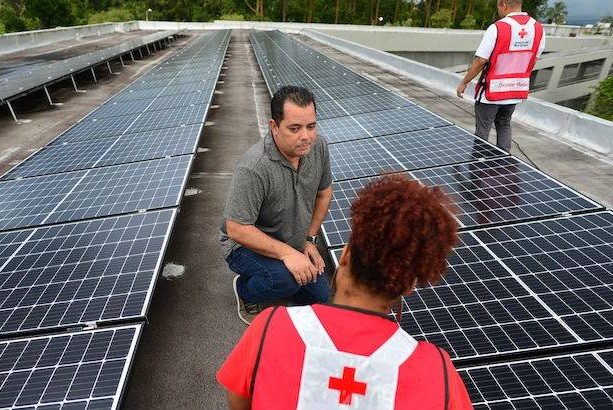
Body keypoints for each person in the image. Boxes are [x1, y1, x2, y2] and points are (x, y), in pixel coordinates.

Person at [217, 175, 473, 409]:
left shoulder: (271, 326)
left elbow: (238, 399)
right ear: (408, 286)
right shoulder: (438, 373)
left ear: (346, 255)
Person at [220, 86, 333, 324]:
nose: (306, 136)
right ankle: (245, 289)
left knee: (319, 298)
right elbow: (236, 229)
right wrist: (288, 253)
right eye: (295, 128)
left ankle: (281, 273)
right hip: (243, 246)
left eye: (311, 126)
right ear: (274, 127)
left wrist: (309, 240)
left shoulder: (318, 148)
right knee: (283, 280)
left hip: (292, 240)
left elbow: (324, 194)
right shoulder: (254, 167)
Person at [457, 0, 546, 152]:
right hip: (515, 90)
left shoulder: (497, 28)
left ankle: (478, 164)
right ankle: (503, 165)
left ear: (503, 5)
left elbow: (481, 60)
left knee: (483, 130)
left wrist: (464, 82)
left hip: (491, 91)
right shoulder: (538, 29)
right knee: (504, 124)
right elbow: (533, 59)